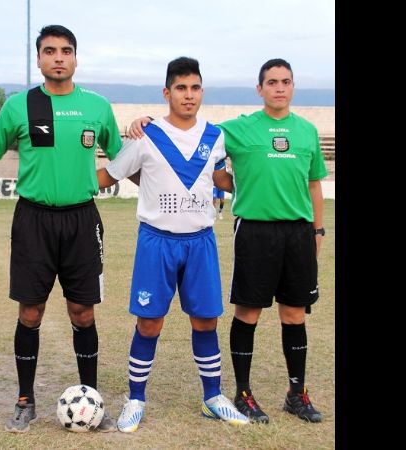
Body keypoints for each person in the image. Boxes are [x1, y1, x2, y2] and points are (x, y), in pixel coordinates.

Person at [127, 58, 327, 424]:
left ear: (293, 86)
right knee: (247, 312)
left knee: (295, 314)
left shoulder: (307, 132)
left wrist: (318, 230)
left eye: (285, 81)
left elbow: (314, 184)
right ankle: (243, 394)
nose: (279, 88)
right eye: (272, 82)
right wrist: (144, 121)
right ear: (260, 89)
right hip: (254, 230)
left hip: (298, 233)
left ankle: (296, 394)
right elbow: (189, 134)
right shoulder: (233, 130)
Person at [0, 24, 122, 433]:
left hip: (81, 219)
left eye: (65, 51)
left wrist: (96, 180)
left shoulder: (97, 106)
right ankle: (25, 400)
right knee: (30, 311)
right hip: (33, 219)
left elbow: (123, 160)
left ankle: (91, 399)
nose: (58, 57)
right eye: (49, 51)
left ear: (76, 58)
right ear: (39, 58)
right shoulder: (18, 105)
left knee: (82, 311)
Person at [98, 57, 248, 433]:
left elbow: (219, 176)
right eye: (181, 88)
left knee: (206, 319)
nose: (188, 95)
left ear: (202, 92)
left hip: (200, 241)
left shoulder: (216, 137)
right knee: (149, 322)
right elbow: (110, 174)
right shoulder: (146, 135)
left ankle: (213, 398)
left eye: (195, 88)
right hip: (157, 241)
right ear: (167, 93)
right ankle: (135, 400)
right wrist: (65, 179)